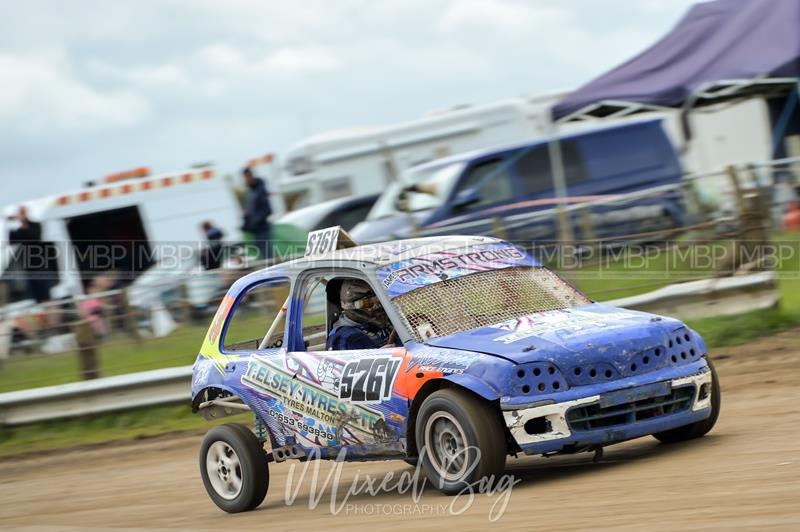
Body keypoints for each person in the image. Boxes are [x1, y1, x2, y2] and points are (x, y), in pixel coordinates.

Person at [326, 280, 396, 351]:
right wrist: (380, 355)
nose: (378, 307)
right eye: (369, 304)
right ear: (352, 306)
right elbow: (341, 362)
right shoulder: (344, 338)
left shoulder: (382, 321)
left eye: (379, 301)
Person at [8, 206, 50, 304]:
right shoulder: (19, 230)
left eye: (22, 213)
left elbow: (34, 236)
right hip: (29, 269)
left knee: (46, 298)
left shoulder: (35, 226)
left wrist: (23, 221)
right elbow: (11, 241)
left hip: (40, 267)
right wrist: (11, 224)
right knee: (37, 299)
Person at [241, 167, 272, 261]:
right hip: (255, 231)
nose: (246, 180)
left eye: (247, 177)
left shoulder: (260, 190)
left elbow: (267, 210)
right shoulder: (250, 192)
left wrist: (255, 221)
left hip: (262, 230)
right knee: (263, 258)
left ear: (251, 175)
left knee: (269, 258)